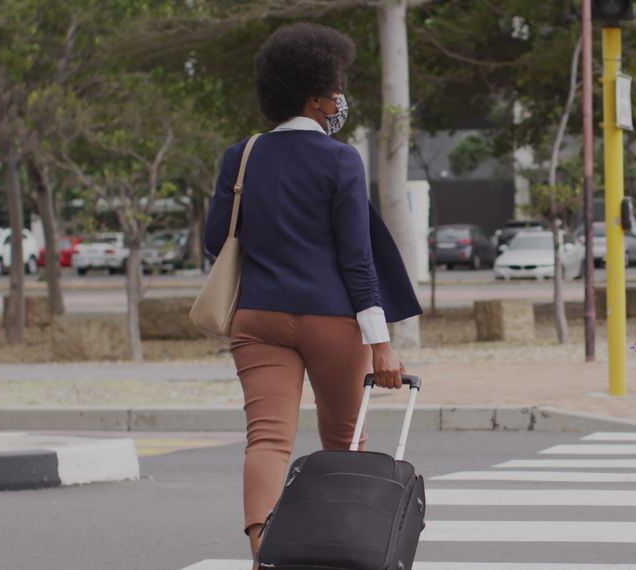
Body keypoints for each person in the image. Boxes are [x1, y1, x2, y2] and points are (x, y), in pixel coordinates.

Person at [203, 23, 422, 570]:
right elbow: (357, 257)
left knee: (268, 441)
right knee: (344, 442)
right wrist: (381, 342)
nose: (340, 97)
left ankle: (263, 554)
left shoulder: (243, 155)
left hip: (257, 317)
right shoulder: (340, 160)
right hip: (331, 318)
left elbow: (215, 239)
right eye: (336, 86)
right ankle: (339, 550)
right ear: (315, 95)